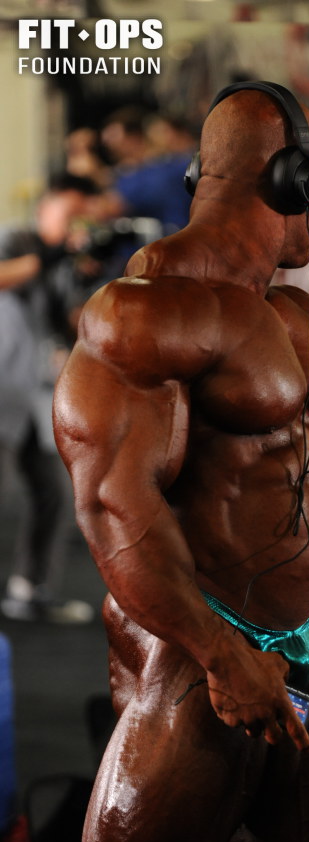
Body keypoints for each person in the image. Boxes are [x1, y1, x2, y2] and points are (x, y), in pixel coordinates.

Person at [53, 83, 309, 842]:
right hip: (199, 642)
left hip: (303, 629)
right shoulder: (146, 312)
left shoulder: (291, 309)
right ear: (300, 180)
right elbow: (114, 505)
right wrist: (221, 656)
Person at [0, 173, 101, 624]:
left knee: (52, 493)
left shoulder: (64, 263)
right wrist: (51, 255)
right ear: (46, 205)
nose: (77, 222)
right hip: (1, 389)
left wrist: (95, 284)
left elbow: (69, 324)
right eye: (71, 211)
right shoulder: (12, 238)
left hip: (31, 399)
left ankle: (29, 589)